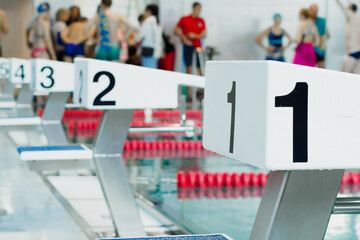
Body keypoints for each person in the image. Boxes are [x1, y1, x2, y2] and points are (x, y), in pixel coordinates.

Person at [174, 2, 206, 76]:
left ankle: (203, 87)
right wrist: (183, 36)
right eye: (197, 9)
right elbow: (175, 30)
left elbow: (204, 35)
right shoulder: (184, 19)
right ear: (193, 8)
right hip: (188, 46)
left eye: (200, 10)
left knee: (200, 67)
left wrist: (194, 36)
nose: (198, 11)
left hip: (198, 47)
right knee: (188, 67)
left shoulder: (201, 20)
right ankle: (189, 87)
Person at [135, 4, 163, 68]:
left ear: (150, 11)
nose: (145, 14)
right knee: (153, 68)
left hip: (148, 49)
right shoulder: (157, 21)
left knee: (148, 69)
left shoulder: (148, 21)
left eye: (146, 11)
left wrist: (135, 38)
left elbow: (140, 35)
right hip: (156, 50)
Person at [336, 0, 360, 73]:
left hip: (353, 52)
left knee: (343, 75)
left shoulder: (351, 16)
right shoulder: (357, 19)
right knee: (354, 77)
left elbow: (343, 7)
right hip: (357, 51)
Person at [310, 4, 330, 68]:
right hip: (309, 50)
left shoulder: (322, 21)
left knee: (321, 68)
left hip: (320, 50)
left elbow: (328, 35)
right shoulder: (307, 22)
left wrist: (322, 38)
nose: (315, 12)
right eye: (313, 10)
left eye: (316, 11)